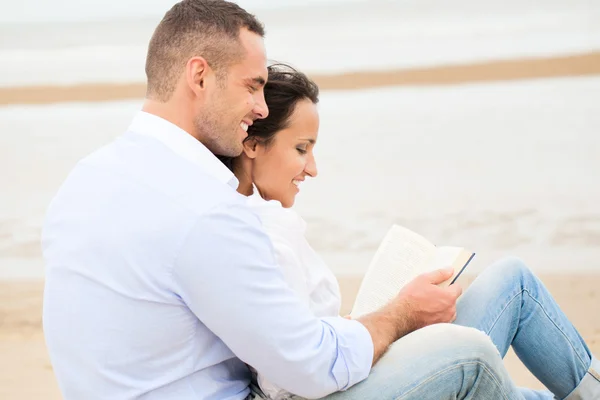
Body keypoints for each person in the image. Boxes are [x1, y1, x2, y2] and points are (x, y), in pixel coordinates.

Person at [40, 1, 599, 399]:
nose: (261, 106)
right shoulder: (204, 208)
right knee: (469, 354)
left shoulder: (86, 182)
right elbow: (306, 371)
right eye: (253, 85)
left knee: (498, 311)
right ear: (200, 76)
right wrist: (399, 315)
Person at [221, 63, 600, 400]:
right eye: (301, 149)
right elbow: (283, 382)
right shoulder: (258, 237)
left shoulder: (271, 219)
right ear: (253, 145)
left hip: (346, 371)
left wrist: (375, 325)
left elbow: (302, 338)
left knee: (513, 280)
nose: (313, 168)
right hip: (328, 391)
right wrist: (390, 323)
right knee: (473, 351)